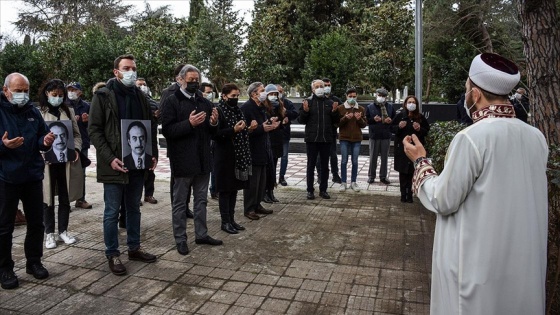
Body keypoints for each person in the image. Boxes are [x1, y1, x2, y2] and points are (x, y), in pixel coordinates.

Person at [403, 53, 548, 315]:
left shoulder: (471, 138)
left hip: (475, 271)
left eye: (467, 88)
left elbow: (443, 199)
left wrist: (420, 161)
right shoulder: (536, 137)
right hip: (523, 269)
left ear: (476, 95)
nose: (466, 93)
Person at [89, 54, 159, 276]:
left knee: (134, 208)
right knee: (111, 212)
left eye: (134, 68)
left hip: (137, 164)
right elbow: (94, 130)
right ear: (116, 72)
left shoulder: (140, 96)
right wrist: (110, 158)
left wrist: (152, 154)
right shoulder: (103, 96)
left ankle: (134, 247)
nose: (131, 72)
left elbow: (148, 126)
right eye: (126, 68)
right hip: (114, 164)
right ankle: (112, 253)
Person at [0, 73, 55, 290]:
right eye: (18, 90)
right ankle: (5, 268)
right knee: (4, 227)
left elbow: (42, 139)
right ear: (6, 91)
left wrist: (46, 140)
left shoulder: (32, 112)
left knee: (36, 223)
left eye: (26, 91)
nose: (22, 95)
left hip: (32, 176)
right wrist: (4, 146)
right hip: (6, 177)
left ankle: (34, 262)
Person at [161, 64, 223, 256]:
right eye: (190, 80)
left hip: (203, 160)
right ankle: (180, 239)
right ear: (180, 80)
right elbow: (168, 131)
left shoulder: (204, 102)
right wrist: (189, 124)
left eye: (197, 80)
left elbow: (212, 132)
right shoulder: (172, 101)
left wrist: (213, 123)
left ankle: (201, 234)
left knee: (201, 201)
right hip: (183, 161)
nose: (194, 83)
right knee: (180, 203)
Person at [39, 80, 83, 249]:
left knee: (65, 197)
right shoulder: (40, 113)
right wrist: (40, 149)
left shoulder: (68, 111)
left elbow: (77, 135)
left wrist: (76, 149)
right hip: (47, 163)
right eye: (54, 95)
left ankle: (63, 231)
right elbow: (35, 137)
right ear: (47, 94)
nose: (57, 98)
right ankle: (49, 233)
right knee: (47, 198)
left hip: (65, 162)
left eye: (60, 95)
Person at [213, 83, 251, 234]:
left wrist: (247, 129)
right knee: (225, 190)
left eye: (237, 96)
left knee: (234, 189)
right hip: (224, 156)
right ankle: (225, 222)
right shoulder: (218, 110)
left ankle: (232, 219)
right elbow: (216, 134)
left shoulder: (237, 111)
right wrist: (233, 130)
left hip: (237, 156)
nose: (235, 98)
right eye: (232, 96)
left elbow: (242, 130)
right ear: (224, 96)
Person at [160, 64, 194, 218]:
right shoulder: (168, 93)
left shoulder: (195, 92)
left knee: (190, 178)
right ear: (178, 78)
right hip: (176, 142)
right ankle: (178, 207)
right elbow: (164, 116)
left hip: (192, 143)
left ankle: (186, 206)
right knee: (177, 178)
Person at [240, 82, 278, 220]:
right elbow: (245, 131)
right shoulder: (246, 108)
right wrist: (262, 128)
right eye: (262, 90)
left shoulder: (261, 107)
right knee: (252, 182)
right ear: (254, 94)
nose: (264, 93)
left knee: (262, 181)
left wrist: (270, 122)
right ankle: (249, 208)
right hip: (252, 150)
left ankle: (257, 204)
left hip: (264, 148)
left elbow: (262, 125)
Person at [299, 79, 340, 200]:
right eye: (317, 87)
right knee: (311, 165)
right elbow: (301, 120)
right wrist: (305, 112)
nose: (320, 88)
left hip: (326, 139)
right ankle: (310, 190)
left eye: (321, 86)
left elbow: (336, 121)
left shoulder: (330, 102)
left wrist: (334, 112)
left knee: (324, 166)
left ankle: (323, 190)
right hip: (312, 139)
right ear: (312, 89)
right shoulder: (308, 102)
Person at [392, 95, 429, 203]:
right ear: (405, 104)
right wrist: (399, 127)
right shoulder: (400, 116)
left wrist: (419, 129)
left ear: (416, 105)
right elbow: (392, 129)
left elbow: (426, 130)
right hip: (402, 149)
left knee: (412, 171)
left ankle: (411, 194)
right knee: (403, 172)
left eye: (413, 102)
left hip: (415, 150)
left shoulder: (420, 117)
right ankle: (403, 194)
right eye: (409, 102)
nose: (411, 104)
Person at [67, 81, 93, 209]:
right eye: (70, 89)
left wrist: (86, 120)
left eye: (74, 90)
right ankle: (65, 201)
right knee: (67, 172)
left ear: (80, 92)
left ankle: (80, 199)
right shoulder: (64, 105)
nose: (71, 92)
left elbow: (93, 124)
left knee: (81, 172)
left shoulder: (86, 106)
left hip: (82, 142)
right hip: (67, 143)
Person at [336, 88, 366, 192]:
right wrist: (345, 118)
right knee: (344, 160)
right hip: (344, 138)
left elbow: (364, 125)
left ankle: (354, 182)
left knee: (355, 161)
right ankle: (343, 182)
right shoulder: (341, 108)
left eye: (354, 96)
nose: (352, 98)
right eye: (350, 96)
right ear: (346, 96)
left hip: (357, 138)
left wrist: (359, 119)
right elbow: (337, 124)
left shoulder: (361, 109)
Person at [135, 78, 159, 204]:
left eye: (144, 84)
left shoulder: (152, 101)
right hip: (137, 139)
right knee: (137, 169)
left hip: (151, 138)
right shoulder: (133, 100)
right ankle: (136, 196)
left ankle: (149, 194)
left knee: (150, 169)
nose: (142, 86)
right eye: (139, 85)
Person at [366, 88, 395, 185]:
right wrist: (373, 120)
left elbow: (394, 119)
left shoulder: (390, 107)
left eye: (383, 96)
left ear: (386, 97)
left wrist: (390, 121)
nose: (381, 97)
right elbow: (366, 120)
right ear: (376, 95)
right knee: (373, 157)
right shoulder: (370, 107)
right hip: (374, 135)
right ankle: (371, 176)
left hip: (385, 135)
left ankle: (383, 176)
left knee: (384, 157)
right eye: (379, 95)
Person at [316, 78, 342, 184]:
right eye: (325, 85)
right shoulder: (315, 99)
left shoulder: (335, 99)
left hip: (331, 132)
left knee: (333, 155)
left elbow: (341, 113)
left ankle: (335, 175)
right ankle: (320, 175)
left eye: (328, 85)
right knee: (319, 157)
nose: (327, 87)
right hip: (319, 133)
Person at [262, 84, 285, 203]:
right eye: (270, 94)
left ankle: (270, 191)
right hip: (268, 140)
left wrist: (282, 122)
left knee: (273, 167)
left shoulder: (280, 107)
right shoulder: (264, 107)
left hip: (277, 140)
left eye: (275, 94)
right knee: (267, 168)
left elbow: (282, 123)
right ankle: (264, 192)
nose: (273, 96)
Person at [276, 84, 298, 186]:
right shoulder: (269, 103)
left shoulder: (287, 102)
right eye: (277, 91)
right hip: (274, 134)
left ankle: (282, 177)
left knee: (284, 157)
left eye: (281, 91)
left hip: (284, 134)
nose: (279, 93)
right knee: (273, 157)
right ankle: (272, 177)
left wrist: (287, 113)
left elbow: (295, 113)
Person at [200, 82, 219, 200]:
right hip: (202, 143)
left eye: (211, 92)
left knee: (214, 167)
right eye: (207, 92)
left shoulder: (212, 106)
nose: (210, 94)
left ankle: (214, 189)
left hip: (212, 142)